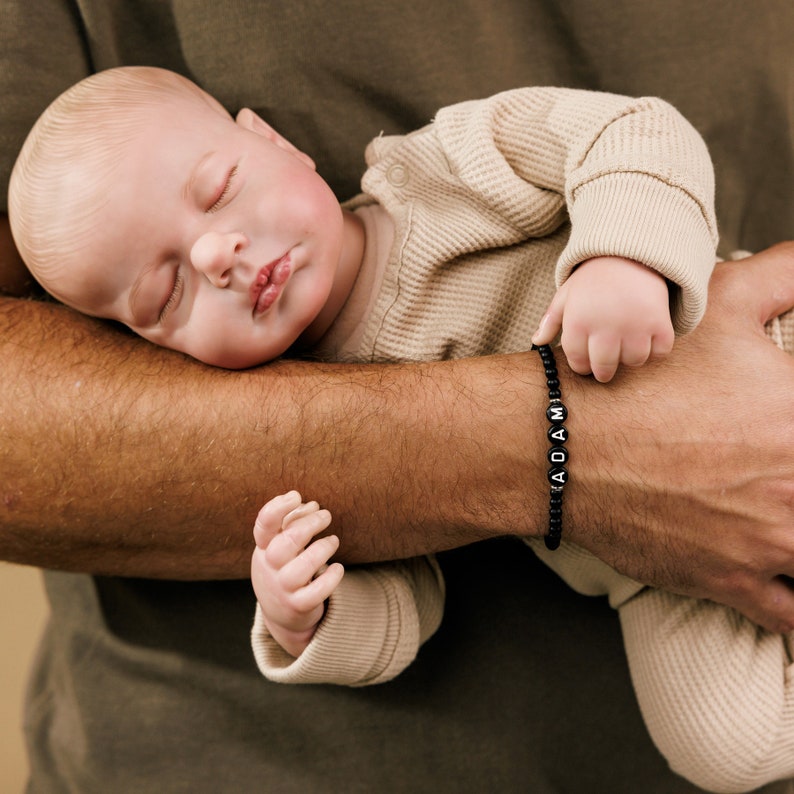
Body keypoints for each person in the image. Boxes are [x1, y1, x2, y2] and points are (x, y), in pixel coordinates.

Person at [2, 3, 794, 793]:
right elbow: (412, 603)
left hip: (748, 350)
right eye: (168, 291)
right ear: (155, 351)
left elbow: (637, 132)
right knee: (726, 749)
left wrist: (623, 258)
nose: (218, 256)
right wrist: (308, 612)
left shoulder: (440, 172)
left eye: (218, 191)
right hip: (651, 563)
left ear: (272, 141)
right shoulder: (316, 424)